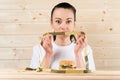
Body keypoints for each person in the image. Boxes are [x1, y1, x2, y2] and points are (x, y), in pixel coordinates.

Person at [30, 2, 95, 70]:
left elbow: (90, 77)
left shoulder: (86, 49)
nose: (63, 27)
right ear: (51, 23)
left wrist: (78, 54)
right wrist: (48, 54)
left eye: (68, 21)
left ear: (74, 24)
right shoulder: (38, 49)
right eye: (58, 21)